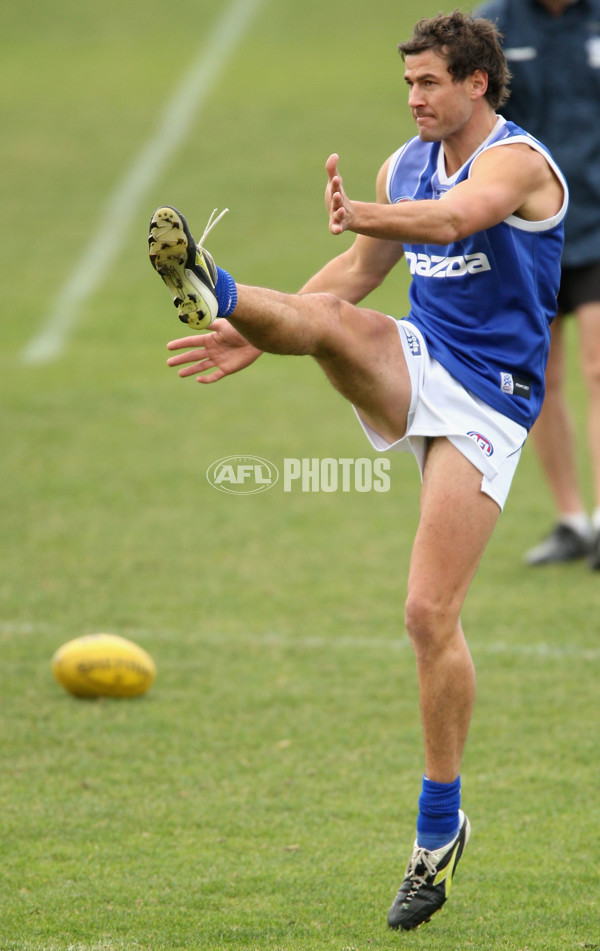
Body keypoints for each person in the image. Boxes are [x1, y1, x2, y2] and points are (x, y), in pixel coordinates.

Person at [148, 11, 567, 931]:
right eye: (407, 83)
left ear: (477, 85)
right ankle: (219, 289)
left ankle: (438, 827)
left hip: (493, 399)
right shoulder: (399, 164)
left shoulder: (520, 162)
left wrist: (368, 213)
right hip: (418, 353)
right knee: (334, 323)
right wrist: (253, 334)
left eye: (429, 83)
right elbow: (354, 269)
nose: (415, 98)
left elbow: (460, 217)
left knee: (428, 614)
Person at [474, 0, 600, 568]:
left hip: (599, 224)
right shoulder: (495, 23)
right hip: (527, 231)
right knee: (541, 375)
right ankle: (573, 521)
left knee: (599, 368)